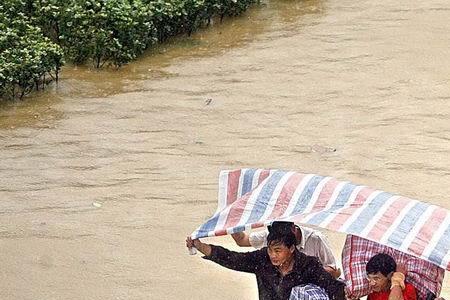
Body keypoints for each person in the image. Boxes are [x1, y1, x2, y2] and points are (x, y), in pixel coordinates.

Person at [186, 221, 345, 300]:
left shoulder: (308, 265)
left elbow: (334, 288)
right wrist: (200, 245)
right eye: (270, 250)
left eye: (277, 251)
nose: (273, 255)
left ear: (291, 249)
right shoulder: (262, 259)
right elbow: (233, 259)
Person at [231, 221, 341, 278]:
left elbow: (334, 271)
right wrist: (230, 222)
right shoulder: (273, 236)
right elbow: (242, 240)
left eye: (278, 249)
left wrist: (304, 272)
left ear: (294, 229)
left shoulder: (316, 239)